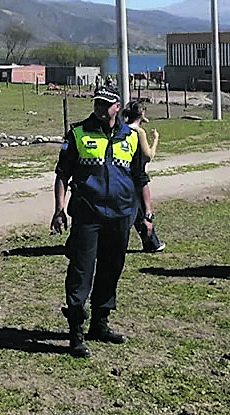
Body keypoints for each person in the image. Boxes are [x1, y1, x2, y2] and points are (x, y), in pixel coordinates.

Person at [51, 86, 148, 358]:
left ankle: (100, 323)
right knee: (81, 272)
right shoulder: (78, 133)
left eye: (107, 104)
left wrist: (147, 215)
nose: (101, 108)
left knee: (111, 269)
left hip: (120, 215)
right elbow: (62, 174)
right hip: (87, 215)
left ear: (118, 106)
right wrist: (59, 209)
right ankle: (76, 331)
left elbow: (140, 178)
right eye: (97, 103)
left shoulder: (131, 137)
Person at [122, 100, 166, 253]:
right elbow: (148, 155)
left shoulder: (121, 129)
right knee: (144, 210)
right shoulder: (139, 132)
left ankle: (151, 242)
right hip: (137, 175)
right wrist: (155, 140)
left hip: (123, 173)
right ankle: (151, 242)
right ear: (142, 113)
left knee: (133, 210)